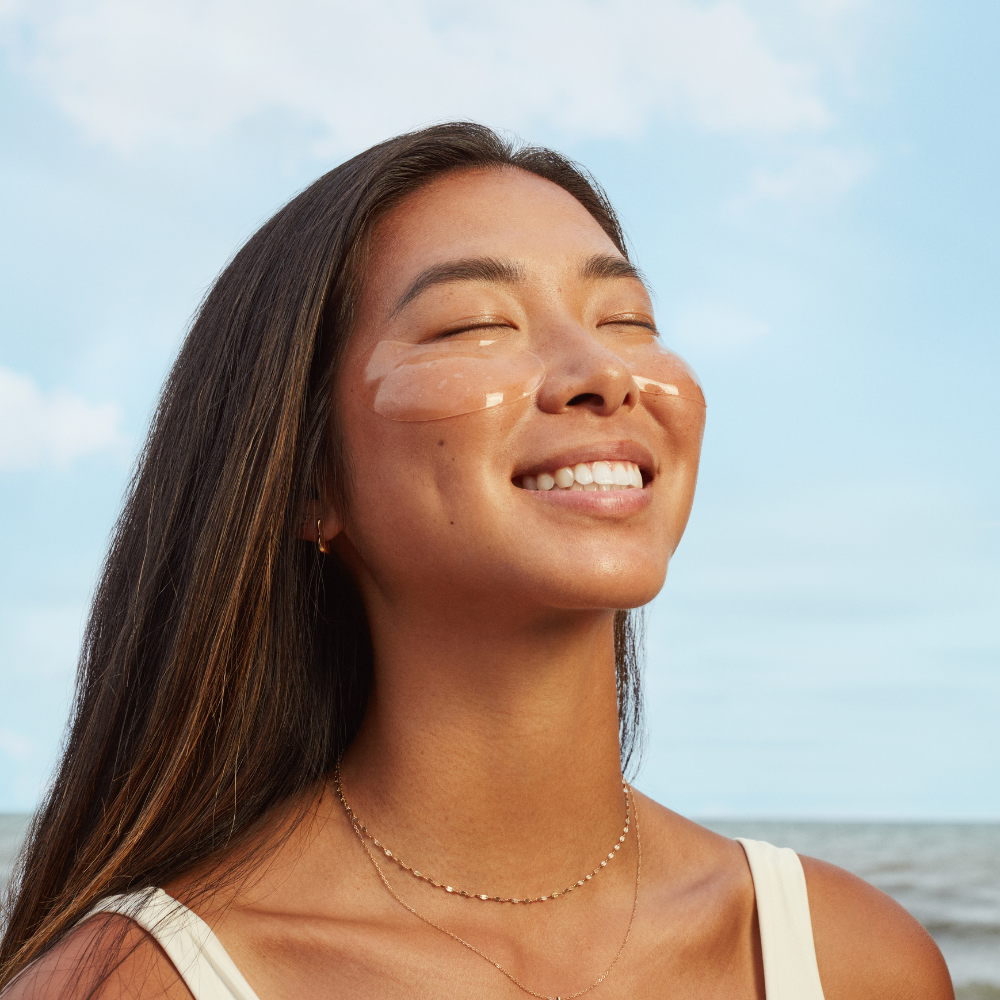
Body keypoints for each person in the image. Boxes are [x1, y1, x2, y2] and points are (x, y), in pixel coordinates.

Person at [0, 123, 952, 1000]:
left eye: (627, 319)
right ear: (306, 481)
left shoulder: (850, 959)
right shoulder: (136, 983)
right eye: (474, 325)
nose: (605, 372)